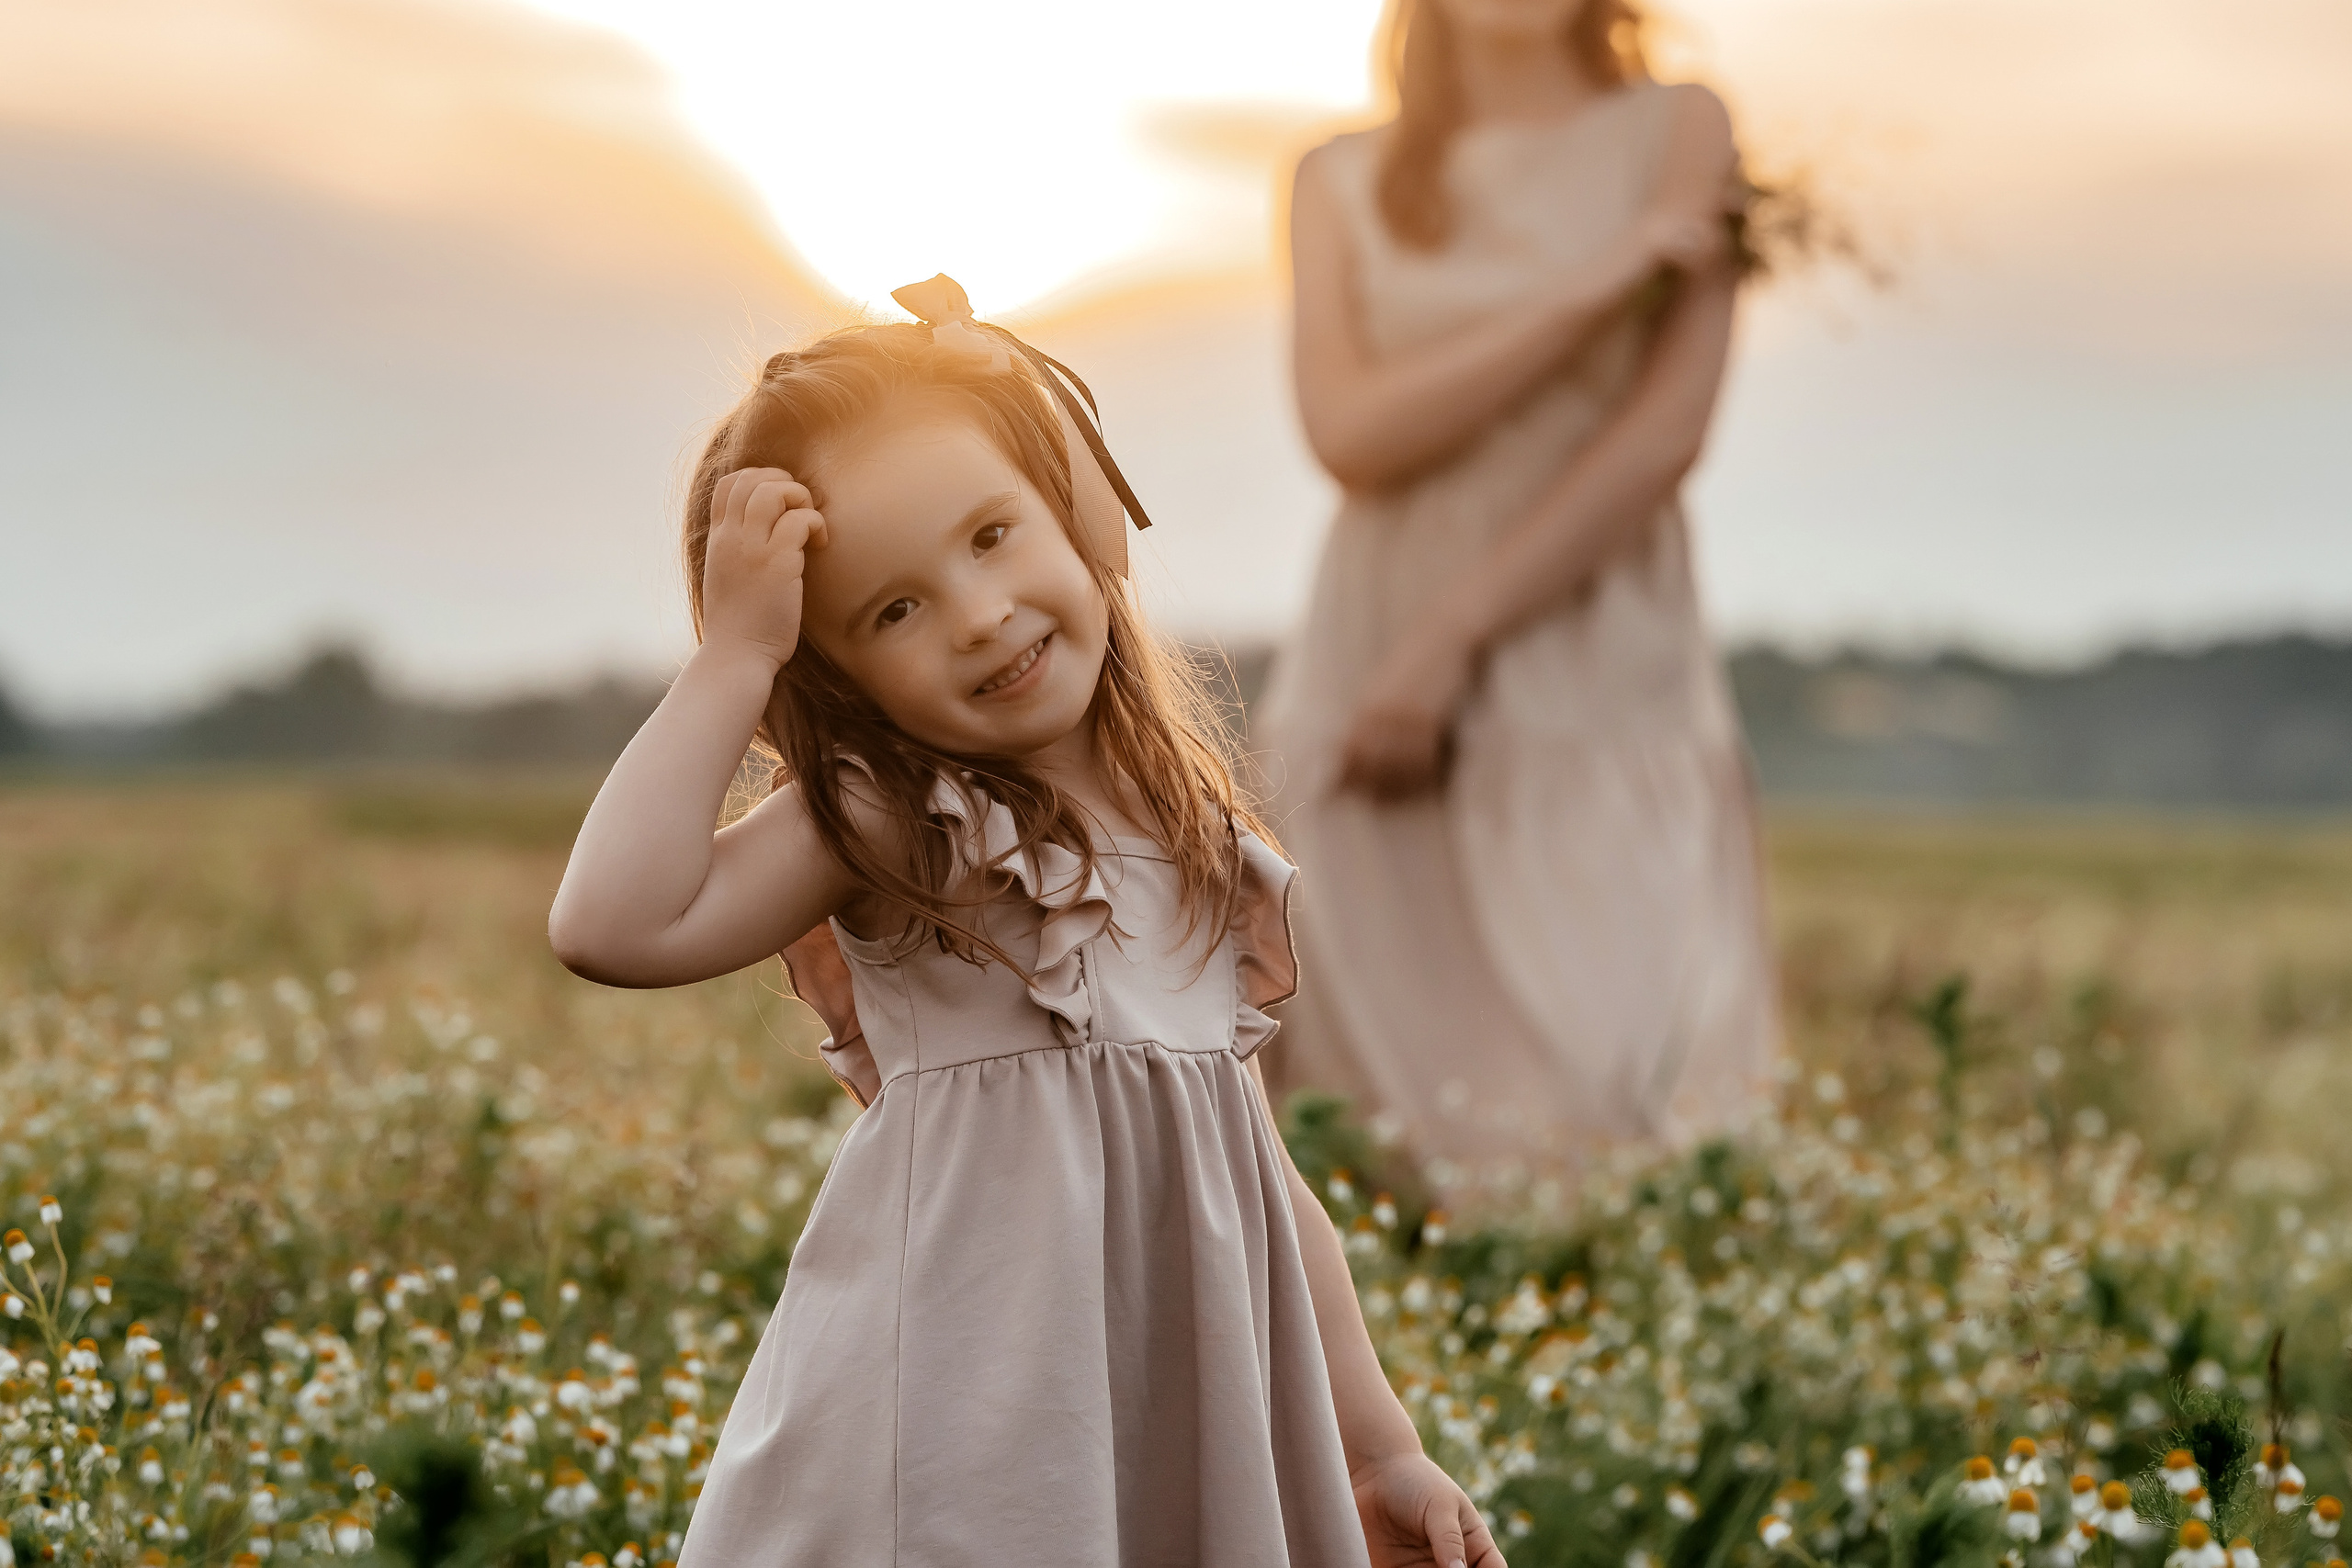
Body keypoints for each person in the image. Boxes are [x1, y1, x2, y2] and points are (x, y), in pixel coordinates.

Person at [548, 278, 1505, 1568]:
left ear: (1078, 513)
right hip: (961, 1438)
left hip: (1161, 1426)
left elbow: (1265, 1187)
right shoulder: (897, 816)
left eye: (993, 535)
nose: (981, 613)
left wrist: (1377, 1445)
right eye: (895, 610)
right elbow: (611, 923)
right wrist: (730, 661)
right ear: (832, 674)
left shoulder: (1195, 844)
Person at [1258, 0, 1779, 1203]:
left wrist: (1453, 639)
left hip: (1594, 649)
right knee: (1378, 1104)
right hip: (1368, 641)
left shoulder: (1683, 131)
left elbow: (1661, 440)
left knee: (1610, 1091)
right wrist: (1602, 280)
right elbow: (1351, 433)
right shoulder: (1336, 175)